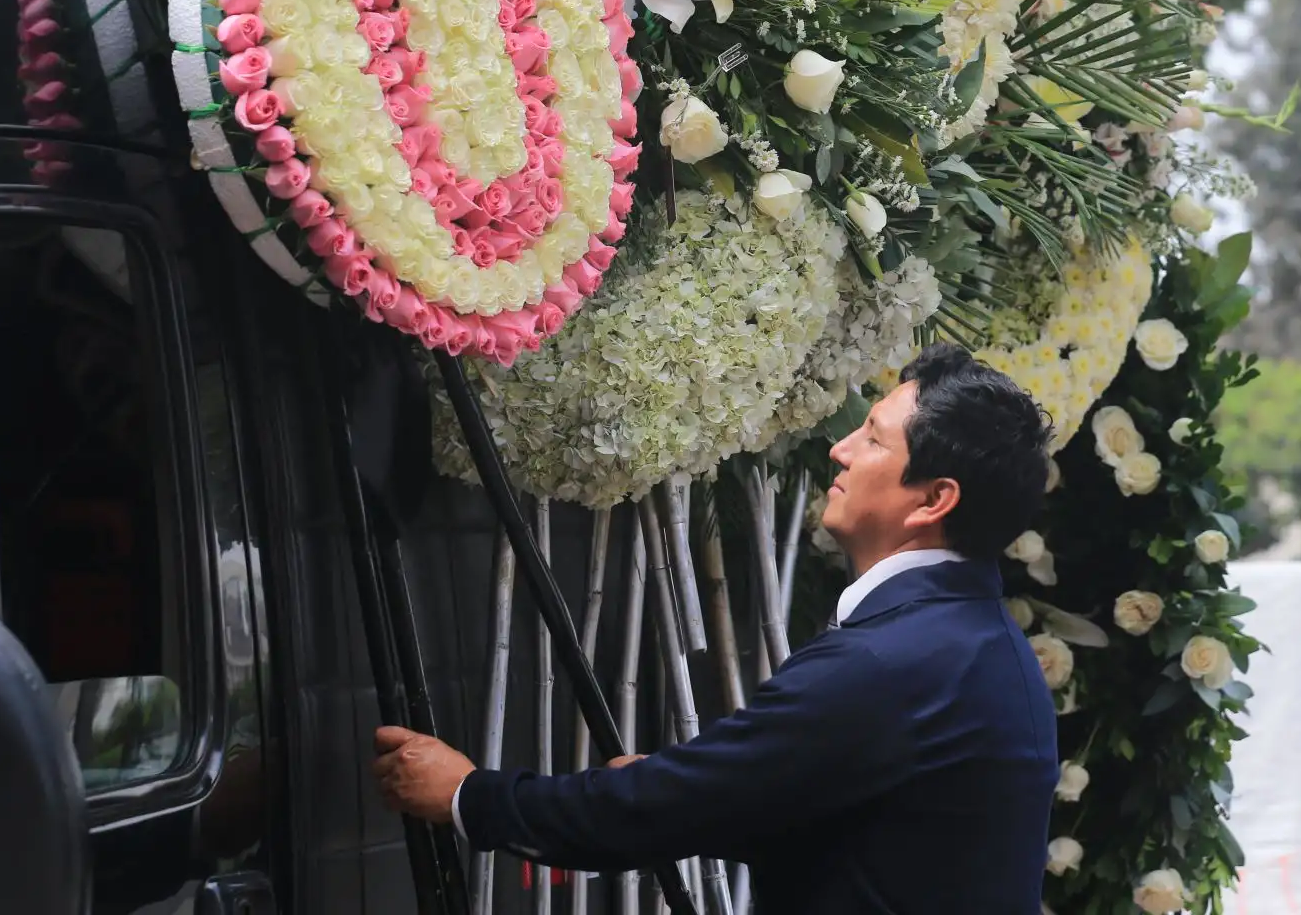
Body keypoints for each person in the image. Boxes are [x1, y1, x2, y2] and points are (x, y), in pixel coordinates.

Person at [374, 344, 1060, 913]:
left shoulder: (892, 660)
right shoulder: (974, 641)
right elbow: (886, 845)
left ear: (934, 500)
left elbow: (649, 813)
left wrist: (469, 795)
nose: (840, 450)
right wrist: (702, 790)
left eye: (873, 438)